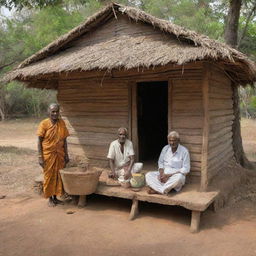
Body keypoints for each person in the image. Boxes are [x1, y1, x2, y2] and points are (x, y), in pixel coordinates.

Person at [37, 103, 70, 207]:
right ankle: (50, 199)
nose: (55, 113)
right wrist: (40, 157)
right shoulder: (44, 124)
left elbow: (64, 141)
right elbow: (39, 141)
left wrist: (66, 155)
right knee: (49, 177)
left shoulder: (62, 123)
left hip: (59, 155)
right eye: (53, 111)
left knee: (57, 176)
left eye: (57, 111)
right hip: (48, 155)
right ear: (49, 112)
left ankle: (55, 197)